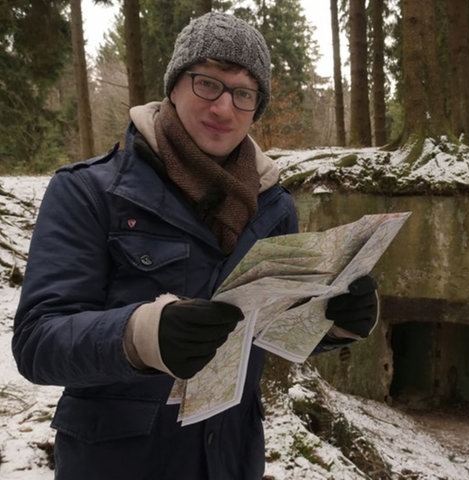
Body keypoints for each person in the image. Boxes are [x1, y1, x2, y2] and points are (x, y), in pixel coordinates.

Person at [12, 11, 379, 480]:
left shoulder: (273, 206)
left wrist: (333, 322)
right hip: (117, 461)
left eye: (244, 93)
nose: (224, 108)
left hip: (230, 457)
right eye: (207, 83)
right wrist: (141, 335)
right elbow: (37, 341)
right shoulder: (88, 191)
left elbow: (272, 326)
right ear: (174, 84)